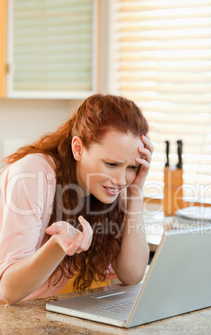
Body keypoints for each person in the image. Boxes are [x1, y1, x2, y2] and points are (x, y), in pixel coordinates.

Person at [0, 94, 153, 305]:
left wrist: (135, 193)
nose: (120, 179)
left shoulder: (115, 188)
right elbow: (8, 291)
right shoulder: (34, 174)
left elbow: (132, 275)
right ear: (78, 149)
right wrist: (57, 245)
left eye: (131, 167)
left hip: (56, 312)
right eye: (111, 164)